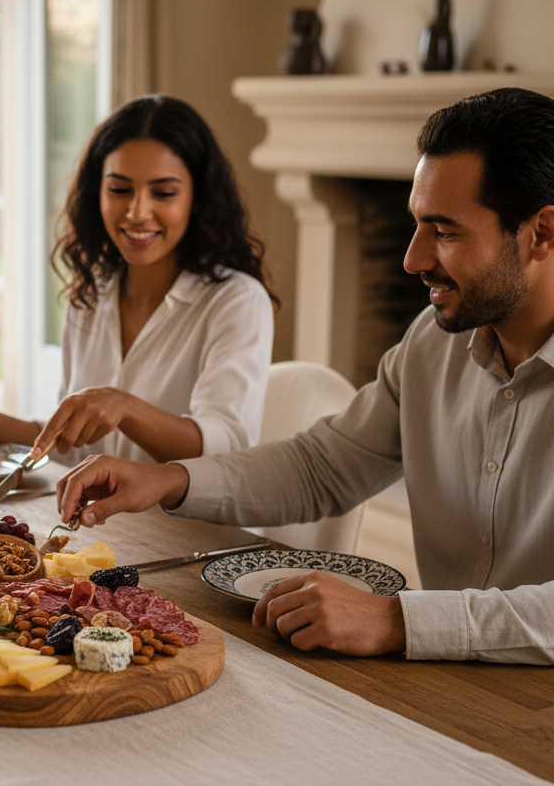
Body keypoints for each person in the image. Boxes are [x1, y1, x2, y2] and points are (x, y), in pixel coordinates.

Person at [53, 86, 554, 665]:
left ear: (541, 232)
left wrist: (396, 620)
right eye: (417, 225)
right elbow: (322, 468)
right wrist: (169, 480)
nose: (412, 259)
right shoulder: (431, 342)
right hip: (443, 678)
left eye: (444, 231)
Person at [0, 95, 275, 465]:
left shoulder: (236, 301)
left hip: (186, 509)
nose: (137, 212)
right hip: (87, 506)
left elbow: (226, 449)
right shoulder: (90, 295)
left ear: (198, 199)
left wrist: (125, 407)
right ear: (97, 193)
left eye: (163, 193)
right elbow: (72, 449)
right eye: (119, 190)